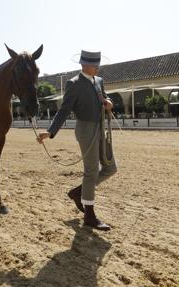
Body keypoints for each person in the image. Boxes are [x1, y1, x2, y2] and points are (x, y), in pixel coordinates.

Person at [36, 50, 117, 231]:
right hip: (85, 130)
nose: (97, 67)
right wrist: (50, 132)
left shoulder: (99, 81)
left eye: (98, 63)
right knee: (92, 171)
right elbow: (64, 110)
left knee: (111, 168)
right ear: (83, 64)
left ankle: (78, 192)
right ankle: (89, 216)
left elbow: (105, 96)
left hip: (101, 127)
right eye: (94, 64)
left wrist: (109, 102)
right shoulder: (74, 84)